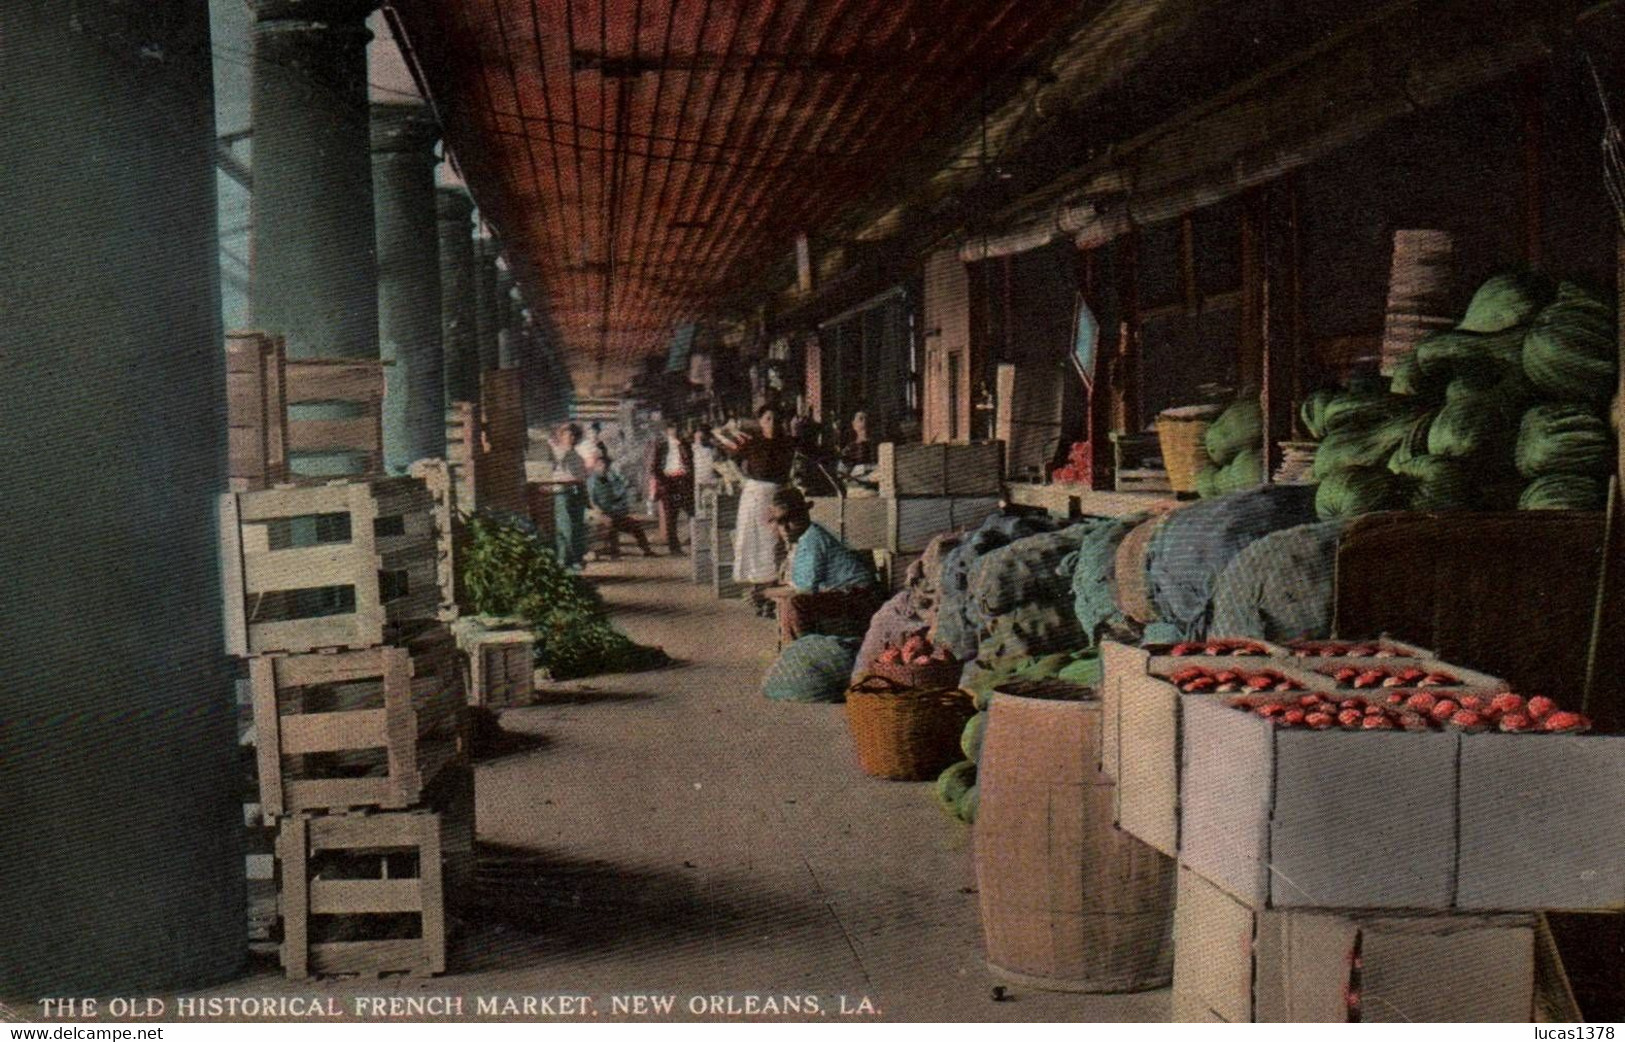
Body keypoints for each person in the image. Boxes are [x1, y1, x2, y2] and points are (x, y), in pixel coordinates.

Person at [766, 487, 882, 640]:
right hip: (846, 595)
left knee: (795, 604)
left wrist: (765, 593)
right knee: (787, 604)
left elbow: (804, 589)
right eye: (781, 523)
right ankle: (795, 653)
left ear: (804, 514)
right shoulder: (804, 538)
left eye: (791, 519)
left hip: (860, 599)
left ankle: (804, 652)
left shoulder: (812, 538)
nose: (785, 529)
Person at [715, 404, 798, 616]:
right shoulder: (751, 442)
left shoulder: (788, 442)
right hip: (754, 497)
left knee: (775, 544)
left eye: (777, 419)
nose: (773, 423)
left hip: (778, 496)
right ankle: (758, 595)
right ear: (760, 422)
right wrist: (741, 479)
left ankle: (773, 596)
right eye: (767, 419)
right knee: (753, 545)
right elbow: (721, 443)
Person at [586, 455, 655, 559]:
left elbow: (615, 496)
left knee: (635, 525)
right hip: (597, 515)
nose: (604, 467)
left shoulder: (607, 479)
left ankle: (647, 551)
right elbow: (590, 502)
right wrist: (601, 515)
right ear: (595, 466)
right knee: (611, 526)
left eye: (606, 465)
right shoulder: (592, 481)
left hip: (612, 513)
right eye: (600, 465)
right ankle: (615, 554)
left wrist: (620, 505)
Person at [645, 418, 694, 555]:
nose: (674, 431)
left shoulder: (684, 444)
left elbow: (690, 462)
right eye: (671, 429)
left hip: (683, 481)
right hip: (668, 482)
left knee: (692, 512)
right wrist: (664, 481)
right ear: (667, 431)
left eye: (676, 429)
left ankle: (696, 541)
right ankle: (674, 548)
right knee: (671, 517)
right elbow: (653, 467)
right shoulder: (660, 445)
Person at [549, 422, 589, 571]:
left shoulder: (577, 455)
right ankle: (564, 560)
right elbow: (554, 466)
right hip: (562, 492)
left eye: (573, 435)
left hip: (576, 492)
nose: (571, 437)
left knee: (577, 527)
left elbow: (582, 477)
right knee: (565, 527)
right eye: (567, 434)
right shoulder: (558, 452)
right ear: (561, 436)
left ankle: (576, 559)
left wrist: (586, 498)